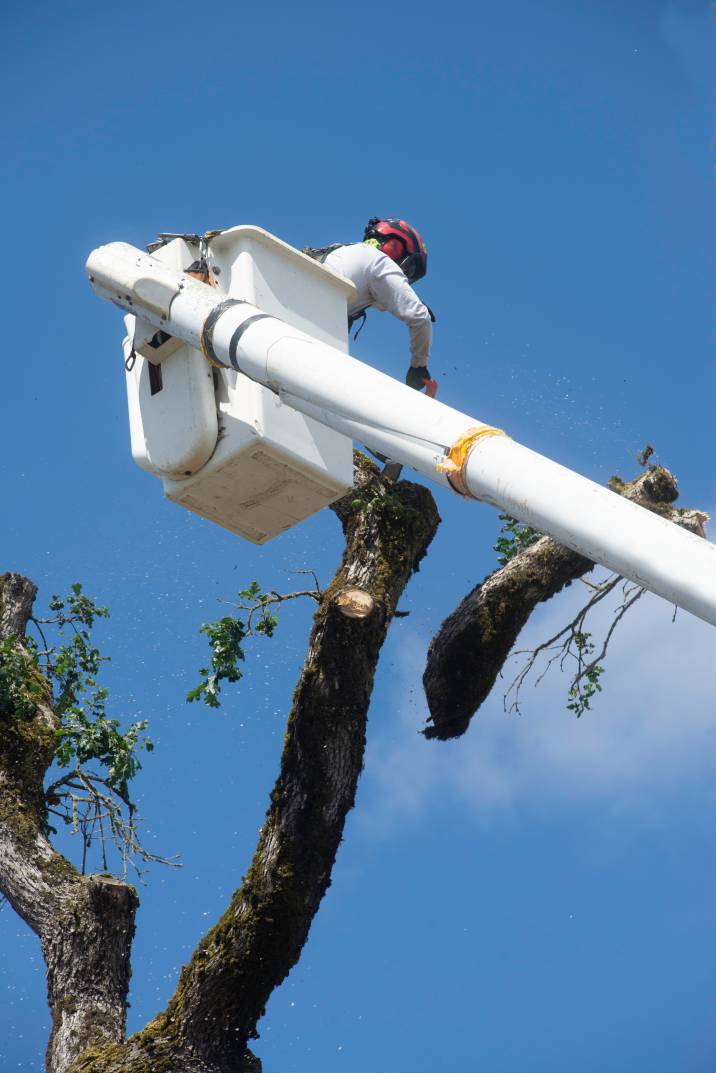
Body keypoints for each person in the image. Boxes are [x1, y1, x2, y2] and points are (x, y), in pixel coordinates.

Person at [306, 217, 437, 397]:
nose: (406, 274)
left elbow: (379, 298)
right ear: (397, 247)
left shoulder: (344, 251)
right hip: (310, 329)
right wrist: (418, 367)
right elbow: (420, 318)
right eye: (410, 268)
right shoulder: (380, 261)